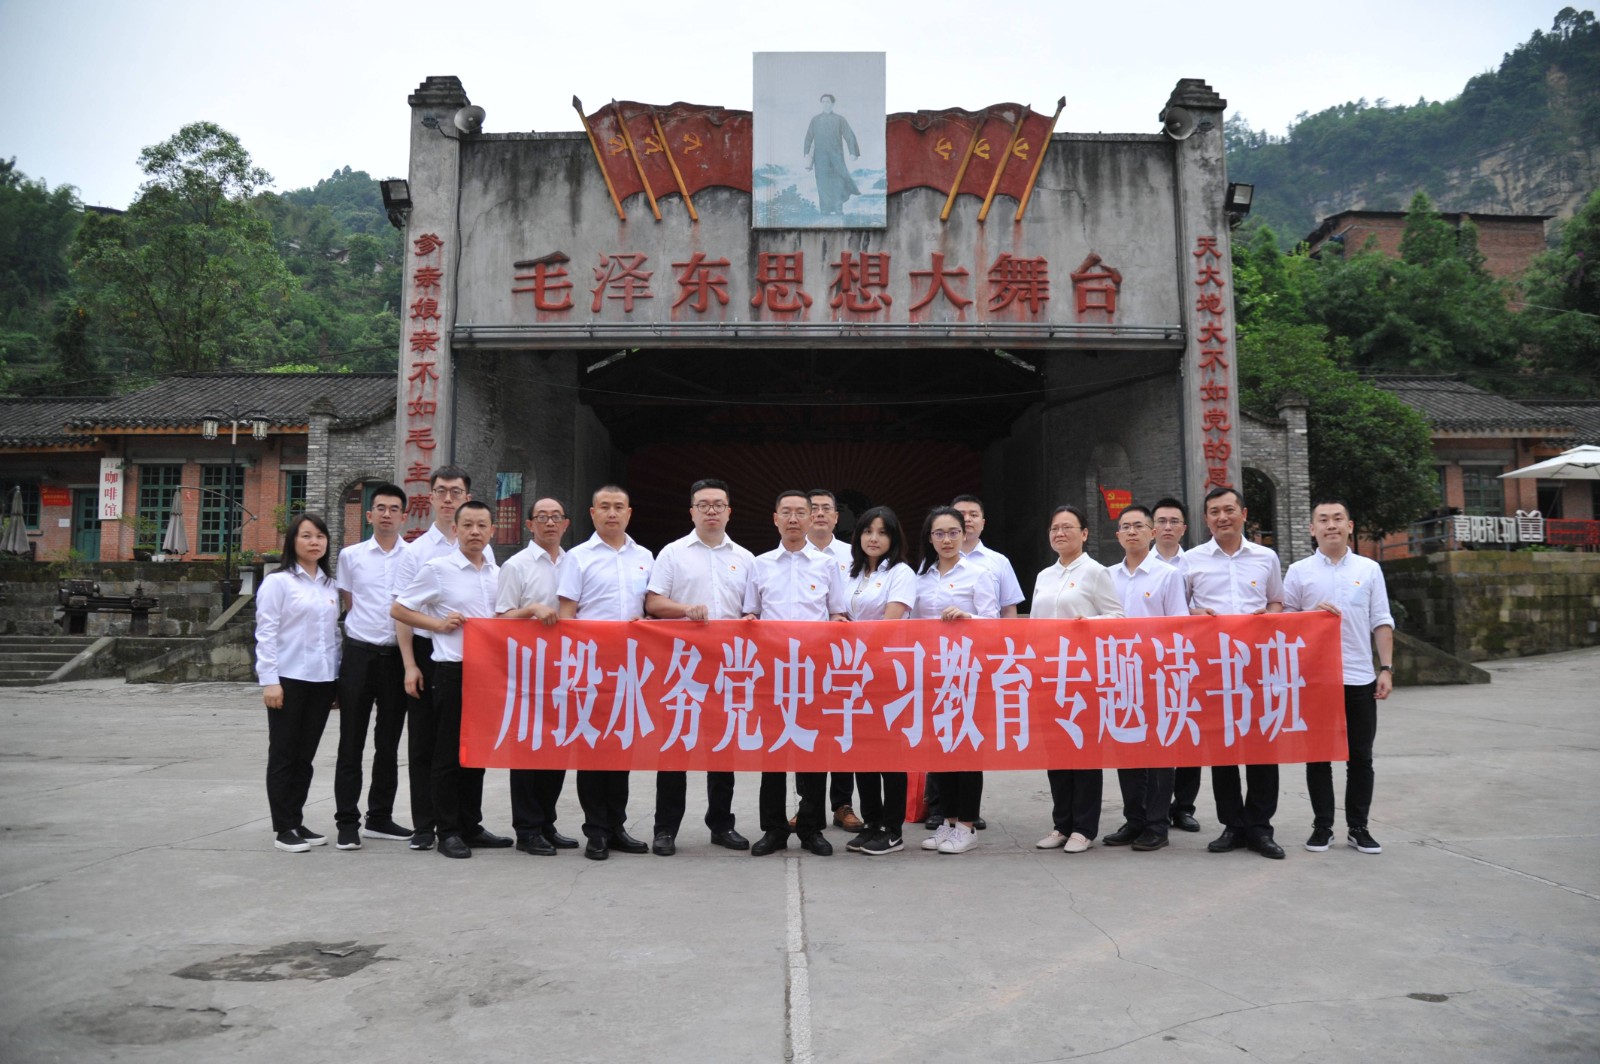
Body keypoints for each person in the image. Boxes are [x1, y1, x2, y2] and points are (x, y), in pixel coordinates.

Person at [390, 500, 511, 860]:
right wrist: (438, 625)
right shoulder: (438, 569)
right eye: (468, 525)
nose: (475, 532)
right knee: (447, 755)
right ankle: (448, 831)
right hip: (451, 672)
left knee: (476, 754)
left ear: (492, 531)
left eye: (482, 526)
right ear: (455, 530)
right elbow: (399, 608)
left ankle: (471, 825)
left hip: (486, 674)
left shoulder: (498, 573)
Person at [644, 479, 753, 856]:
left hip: (728, 666)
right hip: (682, 667)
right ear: (692, 512)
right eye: (703, 505)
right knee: (675, 748)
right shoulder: (673, 553)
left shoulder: (745, 558)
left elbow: (753, 609)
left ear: (729, 512)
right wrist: (684, 610)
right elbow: (653, 603)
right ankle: (665, 828)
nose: (711, 511)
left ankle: (721, 825)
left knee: (722, 749)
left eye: (718, 504)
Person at [1282, 498, 1395, 856]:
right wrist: (1309, 616)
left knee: (1360, 757)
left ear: (1350, 526)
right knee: (1318, 757)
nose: (1331, 525)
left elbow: (1381, 620)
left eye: (1337, 518)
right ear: (1312, 529)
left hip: (1359, 676)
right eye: (1323, 520)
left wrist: (1386, 668)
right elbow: (1284, 623)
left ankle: (1359, 827)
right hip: (1315, 680)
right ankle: (1322, 827)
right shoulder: (1299, 571)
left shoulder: (1369, 569)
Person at [742, 488, 848, 857]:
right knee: (772, 754)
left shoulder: (827, 565)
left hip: (813, 672)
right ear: (775, 519)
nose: (793, 519)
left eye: (800, 512)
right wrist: (749, 620)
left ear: (810, 518)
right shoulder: (759, 564)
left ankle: (811, 828)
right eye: (785, 512)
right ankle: (773, 829)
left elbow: (837, 612)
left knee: (813, 753)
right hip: (771, 673)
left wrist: (837, 623)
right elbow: (751, 612)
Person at [1182, 486, 1287, 860]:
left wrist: (1269, 616)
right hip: (1212, 669)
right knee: (1222, 749)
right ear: (1206, 519)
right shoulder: (1190, 560)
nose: (1222, 517)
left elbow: (1277, 601)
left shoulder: (1265, 557)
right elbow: (1178, 608)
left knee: (1262, 747)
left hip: (1258, 667)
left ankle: (1260, 827)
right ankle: (1233, 825)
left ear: (1243, 514)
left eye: (1229, 510)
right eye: (1214, 512)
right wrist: (1195, 614)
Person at [557, 485, 655, 862]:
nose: (612, 513)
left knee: (621, 751)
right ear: (592, 513)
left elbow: (649, 610)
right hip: (590, 668)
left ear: (629, 513)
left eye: (618, 507)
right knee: (592, 751)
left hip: (630, 669)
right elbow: (567, 615)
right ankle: (595, 831)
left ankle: (616, 826)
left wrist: (645, 622)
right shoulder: (577, 558)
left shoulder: (645, 557)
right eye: (605, 507)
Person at [1029, 505, 1124, 855]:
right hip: (1049, 675)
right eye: (1054, 528)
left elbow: (1118, 617)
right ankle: (1061, 824)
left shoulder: (1096, 572)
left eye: (1068, 527)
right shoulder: (1044, 575)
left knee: (1083, 753)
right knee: (1056, 753)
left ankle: (1084, 828)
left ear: (1084, 534)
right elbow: (1034, 625)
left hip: (1083, 677)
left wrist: (1088, 624)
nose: (1060, 534)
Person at [393, 466, 474, 852]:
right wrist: (410, 664)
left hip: (467, 656)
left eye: (455, 492)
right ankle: (425, 825)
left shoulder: (479, 545)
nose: (447, 498)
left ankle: (465, 822)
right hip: (427, 652)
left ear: (466, 498)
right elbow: (401, 612)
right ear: (430, 496)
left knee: (463, 743)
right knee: (425, 743)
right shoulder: (417, 551)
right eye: (441, 491)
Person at [331, 483, 413, 851]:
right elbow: (350, 603)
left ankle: (380, 817)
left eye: (394, 509)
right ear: (369, 515)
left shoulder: (413, 557)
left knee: (388, 744)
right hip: (359, 655)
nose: (386, 514)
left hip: (396, 658)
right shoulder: (350, 556)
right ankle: (347, 822)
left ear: (404, 516)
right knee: (351, 741)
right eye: (380, 508)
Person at [914, 506, 1000, 855]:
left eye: (953, 532)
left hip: (968, 672)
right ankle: (947, 823)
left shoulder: (979, 574)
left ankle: (967, 825)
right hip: (933, 673)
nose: (947, 540)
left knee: (966, 749)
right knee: (940, 751)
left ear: (965, 535)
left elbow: (994, 623)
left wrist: (968, 617)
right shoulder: (922, 577)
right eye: (939, 533)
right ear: (930, 538)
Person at [495, 497, 577, 857]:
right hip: (527, 671)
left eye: (556, 517)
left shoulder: (575, 562)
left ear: (566, 523)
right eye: (542, 517)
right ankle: (527, 829)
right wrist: (530, 610)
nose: (550, 523)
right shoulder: (516, 565)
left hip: (566, 669)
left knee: (557, 747)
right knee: (527, 750)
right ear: (529, 525)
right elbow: (500, 619)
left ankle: (546, 823)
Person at [256, 512, 340, 853]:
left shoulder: (329, 584)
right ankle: (283, 828)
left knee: (305, 757)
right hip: (288, 680)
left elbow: (333, 635)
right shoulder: (278, 582)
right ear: (292, 541)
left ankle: (296, 819)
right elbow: (266, 632)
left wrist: (336, 680)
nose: (314, 542)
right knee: (284, 754)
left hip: (322, 680)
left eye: (320, 536)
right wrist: (269, 680)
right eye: (306, 536)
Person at [1107, 503, 1188, 852]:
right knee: (1127, 750)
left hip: (1157, 677)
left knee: (1158, 753)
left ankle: (1157, 824)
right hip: (1119, 676)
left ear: (1152, 533)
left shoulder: (1168, 575)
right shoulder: (1107, 576)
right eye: (1125, 526)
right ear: (1117, 535)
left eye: (1139, 526)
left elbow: (1179, 626)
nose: (1132, 532)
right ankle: (1134, 819)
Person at [841, 506, 917, 856]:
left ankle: (892, 829)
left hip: (888, 673)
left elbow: (890, 623)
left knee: (890, 754)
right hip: (854, 673)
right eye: (868, 531)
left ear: (893, 538)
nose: (874, 538)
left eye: (882, 532)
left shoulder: (901, 572)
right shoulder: (852, 573)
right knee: (863, 752)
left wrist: (849, 633)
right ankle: (871, 823)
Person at [805, 488, 862, 834]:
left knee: (842, 729)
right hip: (804, 661)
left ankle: (842, 804)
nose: (820, 514)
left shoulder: (852, 555)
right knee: (807, 732)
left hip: (844, 658)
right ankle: (807, 806)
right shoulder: (790, 554)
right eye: (813, 508)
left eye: (827, 508)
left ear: (837, 517)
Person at [1151, 495, 1203, 833]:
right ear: (1151, 528)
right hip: (1148, 663)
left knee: (1187, 733)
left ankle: (1183, 806)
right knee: (1153, 735)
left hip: (1188, 661)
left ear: (1184, 528)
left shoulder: (1197, 563)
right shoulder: (1137, 563)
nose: (1167, 527)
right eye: (1161, 521)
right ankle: (1148, 806)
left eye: (1174, 521)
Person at [803, 93, 860, 216]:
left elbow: (849, 135)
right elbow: (808, 137)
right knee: (822, 183)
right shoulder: (815, 120)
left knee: (838, 182)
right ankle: (825, 210)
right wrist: (806, 153)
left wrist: (853, 152)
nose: (825, 104)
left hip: (836, 156)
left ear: (832, 104)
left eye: (828, 102)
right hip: (820, 157)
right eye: (823, 102)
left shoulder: (839, 119)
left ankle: (838, 209)